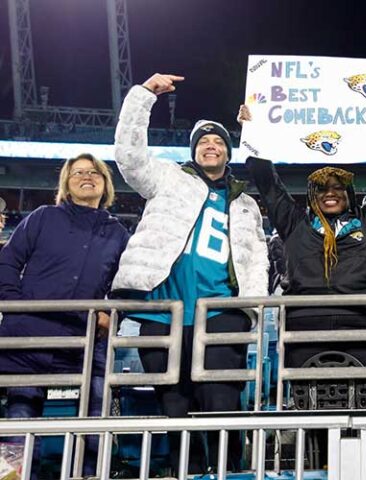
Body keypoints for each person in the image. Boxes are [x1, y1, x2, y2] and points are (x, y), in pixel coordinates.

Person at [111, 73, 269, 474]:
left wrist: (255, 305)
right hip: (162, 310)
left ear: (229, 153)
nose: (210, 146)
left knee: (222, 402)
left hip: (221, 312)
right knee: (174, 406)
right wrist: (144, 96)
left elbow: (256, 258)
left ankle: (228, 471)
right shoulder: (167, 177)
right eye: (203, 142)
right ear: (193, 151)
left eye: (218, 142)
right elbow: (129, 157)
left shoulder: (246, 202)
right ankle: (186, 472)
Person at [242, 102, 366, 467]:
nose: (330, 192)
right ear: (312, 196)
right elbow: (268, 184)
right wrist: (254, 133)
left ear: (349, 195)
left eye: (338, 187)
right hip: (307, 325)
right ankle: (319, 470)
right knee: (314, 405)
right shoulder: (293, 223)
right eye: (321, 188)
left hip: (361, 325)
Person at [0, 154, 130, 477]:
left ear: (105, 182)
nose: (87, 177)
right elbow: (8, 263)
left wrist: (110, 313)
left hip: (83, 337)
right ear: (67, 185)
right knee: (20, 412)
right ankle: (14, 475)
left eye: (94, 172)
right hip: (29, 335)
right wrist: (14, 307)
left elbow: (128, 284)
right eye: (78, 173)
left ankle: (89, 474)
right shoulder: (43, 217)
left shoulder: (118, 233)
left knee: (98, 401)